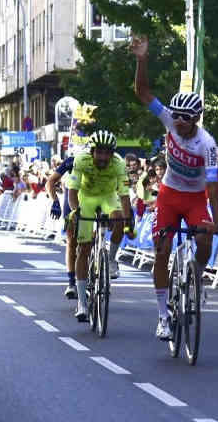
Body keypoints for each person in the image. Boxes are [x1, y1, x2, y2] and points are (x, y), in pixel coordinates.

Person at [132, 36, 218, 341]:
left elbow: (212, 187)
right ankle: (162, 316)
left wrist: (217, 224)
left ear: (196, 118)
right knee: (162, 251)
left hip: (195, 198)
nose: (179, 123)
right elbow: (142, 92)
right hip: (169, 195)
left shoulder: (206, 144)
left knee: (206, 241)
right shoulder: (169, 121)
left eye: (186, 119)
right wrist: (142, 60)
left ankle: (196, 275)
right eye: (176, 116)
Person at [65, 131, 133, 322]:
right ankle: (82, 302)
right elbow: (72, 190)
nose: (103, 157)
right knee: (83, 250)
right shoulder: (81, 160)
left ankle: (110, 259)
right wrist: (76, 212)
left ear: (112, 154)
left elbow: (124, 195)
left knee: (119, 218)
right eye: (99, 152)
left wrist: (128, 218)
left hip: (108, 197)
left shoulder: (119, 164)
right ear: (93, 151)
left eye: (107, 153)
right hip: (85, 198)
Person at [46, 152, 77, 300]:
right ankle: (71, 282)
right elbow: (50, 181)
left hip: (94, 197)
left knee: (91, 239)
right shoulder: (72, 161)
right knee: (72, 241)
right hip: (72, 198)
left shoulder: (107, 162)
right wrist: (55, 201)